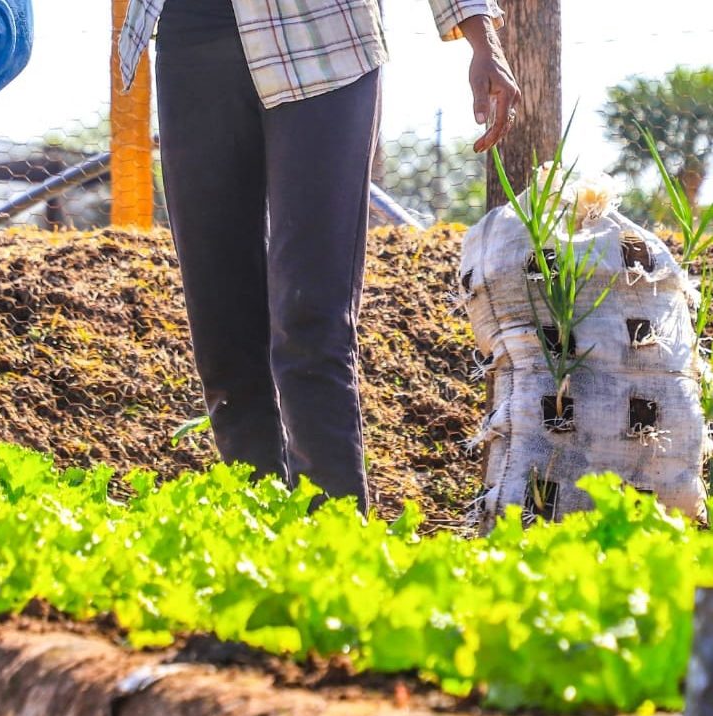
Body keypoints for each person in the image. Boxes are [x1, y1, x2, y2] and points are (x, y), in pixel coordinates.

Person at [118, 0, 521, 514]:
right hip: (194, 33)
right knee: (220, 323)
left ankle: (333, 545)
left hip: (320, 37)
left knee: (310, 316)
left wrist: (481, 37)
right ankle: (256, 537)